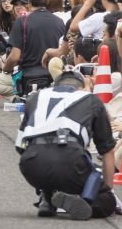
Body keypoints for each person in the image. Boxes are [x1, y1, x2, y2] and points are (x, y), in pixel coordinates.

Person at [16, 61, 117, 219]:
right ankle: (84, 201)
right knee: (106, 201)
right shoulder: (90, 99)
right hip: (70, 161)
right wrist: (107, 191)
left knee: (50, 161)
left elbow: (20, 146)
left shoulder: (36, 97)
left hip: (32, 165)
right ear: (80, 87)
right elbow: (107, 151)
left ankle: (46, 196)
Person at [0, 0, 67, 92]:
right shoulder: (59, 22)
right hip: (52, 75)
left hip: (28, 77)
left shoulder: (22, 21)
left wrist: (6, 68)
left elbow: (15, 56)